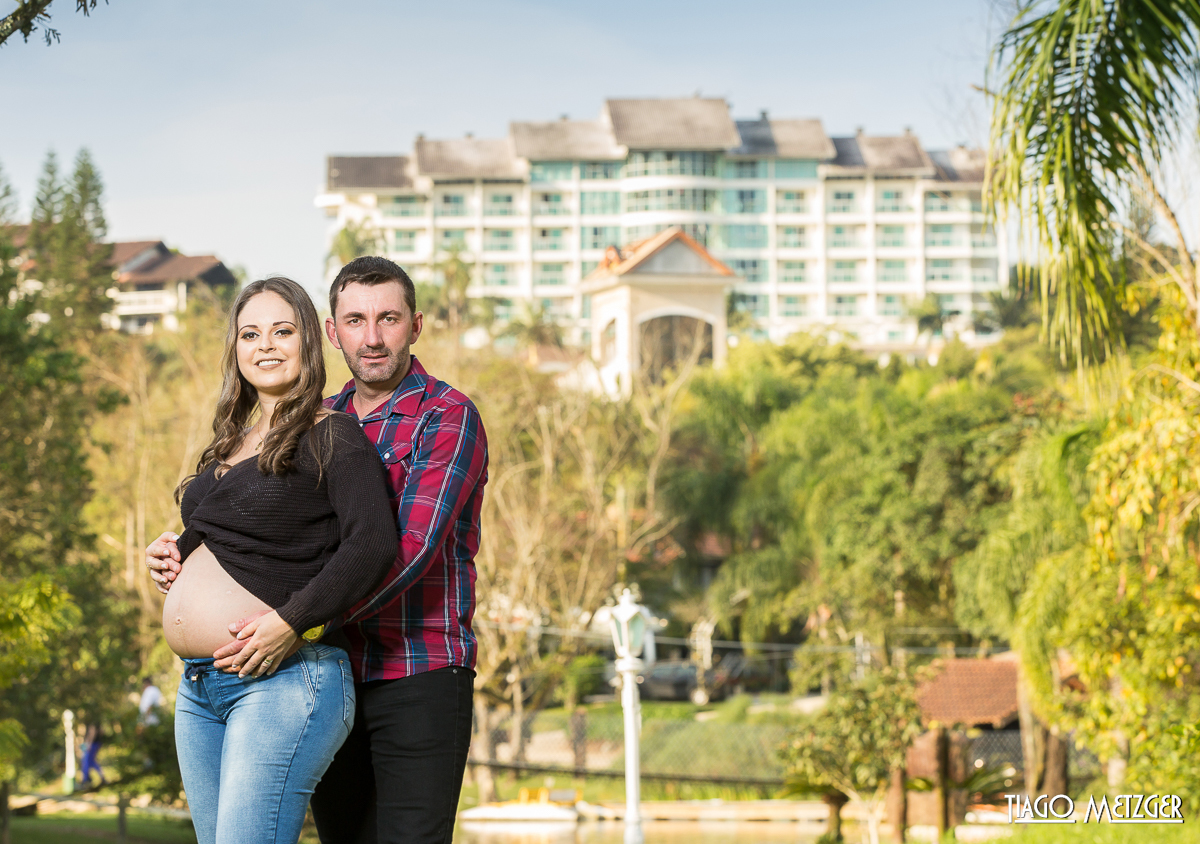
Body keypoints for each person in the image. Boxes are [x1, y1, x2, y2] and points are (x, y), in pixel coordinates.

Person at [148, 257, 488, 844]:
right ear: (333, 333)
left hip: (416, 667)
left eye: (389, 318)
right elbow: (270, 530)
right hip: (332, 661)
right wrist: (180, 556)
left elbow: (405, 547)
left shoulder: (444, 416)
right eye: (355, 320)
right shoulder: (299, 420)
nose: (372, 336)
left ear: (416, 325)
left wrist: (297, 621)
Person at [158, 276, 397, 844]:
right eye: (250, 334)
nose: (265, 345)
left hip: (284, 681)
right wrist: (174, 555)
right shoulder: (228, 443)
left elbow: (372, 544)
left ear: (309, 342)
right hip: (198, 686)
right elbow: (227, 535)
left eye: (282, 331)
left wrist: (292, 622)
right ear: (236, 350)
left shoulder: (333, 434)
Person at [80, 721, 107, 787]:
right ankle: (101, 777)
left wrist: (89, 745)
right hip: (94, 745)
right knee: (92, 762)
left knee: (86, 761)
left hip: (93, 745)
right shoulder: (94, 724)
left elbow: (92, 734)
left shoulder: (92, 724)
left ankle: (85, 779)